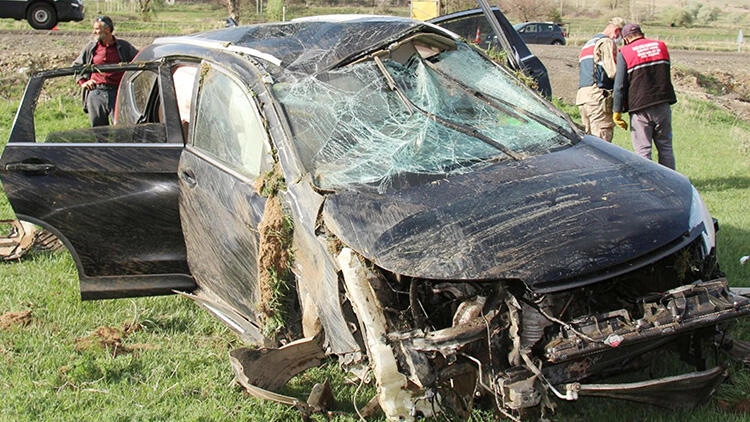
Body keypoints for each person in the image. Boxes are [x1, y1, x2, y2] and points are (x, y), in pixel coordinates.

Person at [613, 23, 677, 169]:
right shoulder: (661, 46)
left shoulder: (626, 52)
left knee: (643, 150)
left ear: (626, 39)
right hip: (663, 103)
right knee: (666, 147)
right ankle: (670, 181)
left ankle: (649, 183)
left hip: (640, 107)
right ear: (642, 34)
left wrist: (617, 111)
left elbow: (619, 86)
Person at [73, 16, 138, 126]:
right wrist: (83, 82)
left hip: (118, 93)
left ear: (107, 30)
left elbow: (139, 61)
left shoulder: (124, 47)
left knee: (122, 129)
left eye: (97, 29)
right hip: (96, 92)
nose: (94, 32)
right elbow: (76, 66)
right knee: (99, 131)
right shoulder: (91, 47)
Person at [575, 17, 626, 142]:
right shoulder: (606, 42)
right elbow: (613, 72)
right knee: (602, 142)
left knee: (587, 142)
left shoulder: (588, 44)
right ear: (616, 31)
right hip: (597, 97)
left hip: (583, 97)